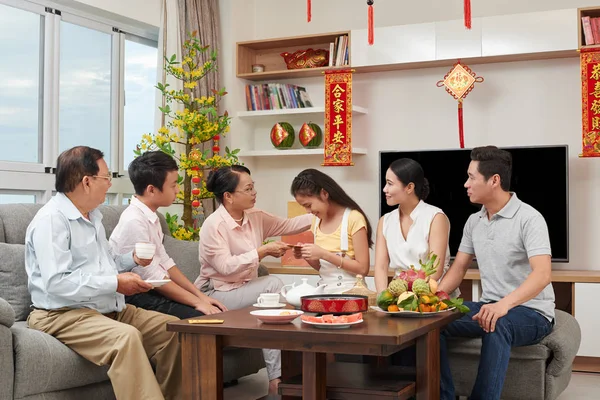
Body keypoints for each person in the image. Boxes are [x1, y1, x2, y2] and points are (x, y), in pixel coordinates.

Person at [25, 146, 182, 400]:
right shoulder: (52, 221)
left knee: (173, 329)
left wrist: (129, 260)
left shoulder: (92, 217)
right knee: (127, 338)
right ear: (86, 182)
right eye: (106, 178)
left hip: (108, 309)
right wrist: (116, 283)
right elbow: (57, 283)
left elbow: (105, 264)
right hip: (62, 314)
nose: (110, 184)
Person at [437, 146, 555, 400]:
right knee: (434, 321)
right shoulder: (473, 221)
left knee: (497, 322)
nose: (465, 184)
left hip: (532, 312)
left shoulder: (529, 218)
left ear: (494, 181)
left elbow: (543, 274)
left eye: (471, 177)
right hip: (490, 306)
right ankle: (443, 396)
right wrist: (436, 297)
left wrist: (503, 305)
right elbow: (459, 267)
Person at [194, 165, 312, 394]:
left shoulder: (255, 217)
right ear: (228, 196)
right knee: (273, 286)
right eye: (248, 189)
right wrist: (262, 252)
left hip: (246, 288)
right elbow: (225, 267)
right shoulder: (213, 226)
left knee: (275, 296)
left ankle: (291, 374)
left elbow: (289, 225)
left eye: (253, 186)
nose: (254, 192)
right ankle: (276, 378)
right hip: (217, 293)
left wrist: (321, 211)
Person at [110, 150, 227, 319]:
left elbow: (165, 262)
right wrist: (196, 302)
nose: (178, 190)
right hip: (134, 295)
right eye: (173, 185)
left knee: (211, 310)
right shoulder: (134, 220)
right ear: (151, 190)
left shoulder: (152, 216)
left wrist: (200, 296)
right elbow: (153, 276)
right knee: (200, 317)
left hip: (153, 289)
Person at [374, 158, 454, 295]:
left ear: (410, 187)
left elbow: (435, 269)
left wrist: (409, 295)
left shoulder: (435, 217)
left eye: (390, 184)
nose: (384, 189)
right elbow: (380, 267)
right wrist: (384, 297)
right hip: (398, 296)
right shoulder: (385, 221)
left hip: (432, 296)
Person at [290, 169, 372, 293]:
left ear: (324, 193)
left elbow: (363, 269)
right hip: (325, 293)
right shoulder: (316, 221)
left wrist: (324, 254)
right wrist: (306, 255)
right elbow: (322, 268)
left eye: (308, 205)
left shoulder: (353, 218)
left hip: (352, 294)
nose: (308, 211)